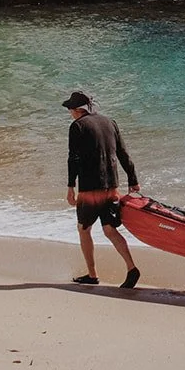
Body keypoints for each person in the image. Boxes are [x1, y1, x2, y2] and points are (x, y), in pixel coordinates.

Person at [63, 90, 142, 289]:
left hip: (90, 189)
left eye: (70, 109)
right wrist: (133, 179)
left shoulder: (77, 126)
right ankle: (131, 267)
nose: (70, 113)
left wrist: (71, 186)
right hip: (111, 187)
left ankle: (92, 274)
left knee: (84, 229)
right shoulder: (110, 122)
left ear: (76, 110)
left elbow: (73, 159)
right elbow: (123, 153)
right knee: (109, 229)